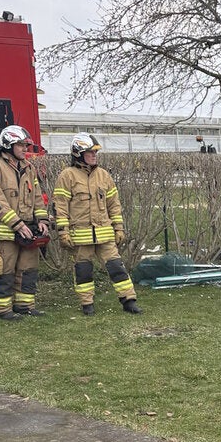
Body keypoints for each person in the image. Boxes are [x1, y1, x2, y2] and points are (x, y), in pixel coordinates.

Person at [53, 134, 143, 316]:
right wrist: (63, 232)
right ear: (78, 154)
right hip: (80, 234)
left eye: (95, 152)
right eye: (90, 152)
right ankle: (87, 304)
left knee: (117, 267)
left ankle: (129, 301)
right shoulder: (67, 176)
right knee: (83, 271)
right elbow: (60, 206)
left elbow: (114, 205)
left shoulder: (104, 176)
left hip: (104, 234)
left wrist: (119, 228)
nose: (95, 155)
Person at [0, 124, 49, 319]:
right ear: (8, 145)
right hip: (6, 231)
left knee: (28, 270)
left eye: (26, 145)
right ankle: (2, 309)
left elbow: (37, 198)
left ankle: (24, 306)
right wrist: (17, 224)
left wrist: (42, 220)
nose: (26, 149)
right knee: (4, 271)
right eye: (21, 145)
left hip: (30, 229)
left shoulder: (29, 168)